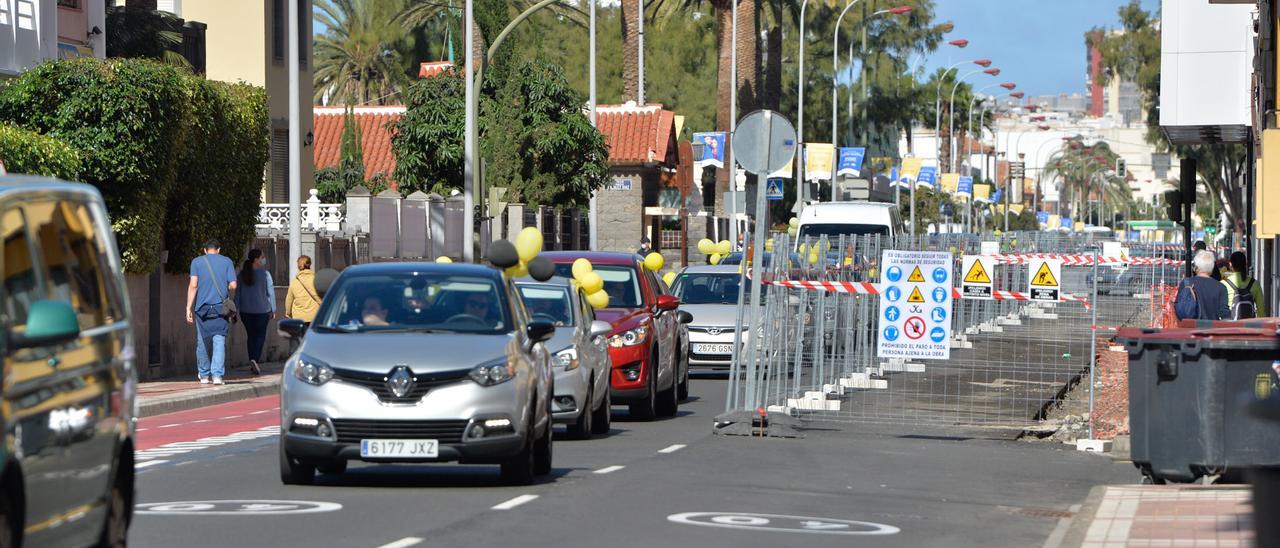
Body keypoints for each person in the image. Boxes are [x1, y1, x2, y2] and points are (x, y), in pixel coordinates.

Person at [186, 240, 237, 385]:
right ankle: (217, 376)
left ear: (204, 250)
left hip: (202, 308)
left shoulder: (196, 262)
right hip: (221, 308)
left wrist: (188, 307)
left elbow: (193, 285)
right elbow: (233, 285)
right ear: (219, 250)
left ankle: (203, 375)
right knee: (219, 339)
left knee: (202, 340)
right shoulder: (227, 261)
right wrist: (225, 287)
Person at [234, 249, 274, 375]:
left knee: (251, 336)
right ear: (256, 259)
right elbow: (270, 293)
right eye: (262, 257)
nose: (263, 259)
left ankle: (252, 359)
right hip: (262, 311)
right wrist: (273, 309)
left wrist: (235, 310)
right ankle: (254, 359)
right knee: (260, 336)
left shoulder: (241, 275)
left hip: (245, 312)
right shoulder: (265, 274)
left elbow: (237, 295)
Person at [1174, 250, 1229, 321]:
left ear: (1196, 266)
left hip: (1189, 328)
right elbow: (1224, 313)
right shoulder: (1221, 287)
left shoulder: (1186, 283)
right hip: (1211, 329)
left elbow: (1177, 307)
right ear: (1212, 267)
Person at [1222, 250, 1266, 319]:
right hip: (1248, 325)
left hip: (1230, 325)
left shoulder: (1224, 284)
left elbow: (1220, 309)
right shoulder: (1255, 284)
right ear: (1245, 264)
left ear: (1230, 264)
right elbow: (1261, 310)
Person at [285, 255, 321, 322]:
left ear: (298, 266)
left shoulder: (294, 282)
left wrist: (288, 313)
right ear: (309, 264)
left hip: (299, 318)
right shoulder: (317, 280)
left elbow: (289, 300)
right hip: (315, 317)